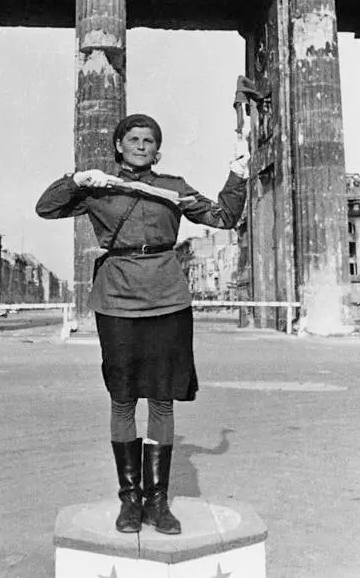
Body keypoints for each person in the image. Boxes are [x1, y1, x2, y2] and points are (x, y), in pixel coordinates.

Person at [35, 113, 248, 535]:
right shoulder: (101, 187)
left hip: (167, 296)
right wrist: (77, 179)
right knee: (123, 398)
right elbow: (46, 207)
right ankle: (129, 501)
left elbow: (223, 217)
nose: (141, 145)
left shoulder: (173, 187)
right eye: (133, 138)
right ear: (118, 145)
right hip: (117, 298)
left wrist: (238, 171)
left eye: (149, 140)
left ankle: (158, 501)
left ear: (157, 149)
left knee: (162, 399)